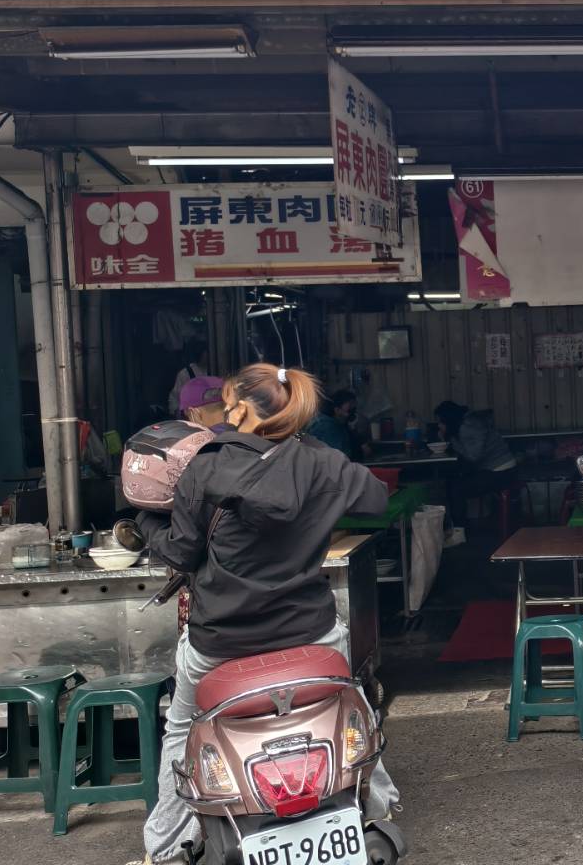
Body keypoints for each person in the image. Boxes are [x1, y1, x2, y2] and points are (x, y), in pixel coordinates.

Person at [134, 364, 399, 863]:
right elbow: (375, 498)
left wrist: (148, 522)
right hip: (310, 635)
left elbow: (180, 554)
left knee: (182, 727)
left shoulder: (206, 466)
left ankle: (166, 849)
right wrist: (317, 467)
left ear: (236, 409)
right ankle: (378, 812)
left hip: (220, 643)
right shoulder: (323, 463)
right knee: (352, 703)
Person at [434, 400, 518, 522]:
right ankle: (457, 528)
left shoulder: (467, 428)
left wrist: (451, 440)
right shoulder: (468, 423)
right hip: (501, 469)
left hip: (501, 472)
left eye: (440, 422)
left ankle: (459, 531)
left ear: (448, 420)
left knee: (456, 489)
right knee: (454, 483)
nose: (439, 426)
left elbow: (473, 456)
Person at [307, 388, 362, 459]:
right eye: (350, 409)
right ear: (337, 410)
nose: (353, 412)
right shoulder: (328, 427)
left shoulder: (338, 425)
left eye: (354, 408)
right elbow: (340, 458)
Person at [166, 342, 210, 418]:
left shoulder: (216, 369)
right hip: (192, 416)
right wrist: (178, 413)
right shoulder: (185, 374)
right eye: (206, 352)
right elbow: (174, 397)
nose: (209, 355)